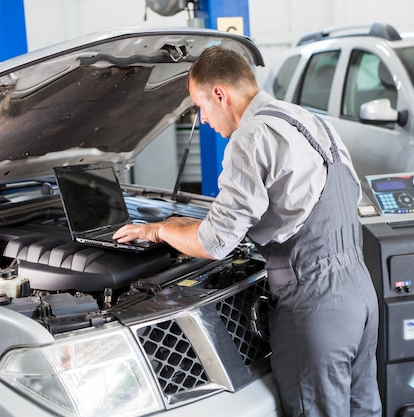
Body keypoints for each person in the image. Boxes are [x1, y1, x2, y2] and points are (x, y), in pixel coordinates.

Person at [113, 45, 381, 417]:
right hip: (361, 295)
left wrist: (159, 231)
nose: (203, 120)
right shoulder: (309, 121)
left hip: (316, 306)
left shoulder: (251, 138)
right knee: (363, 410)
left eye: (200, 106)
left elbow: (214, 242)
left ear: (220, 94)